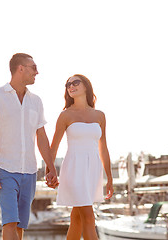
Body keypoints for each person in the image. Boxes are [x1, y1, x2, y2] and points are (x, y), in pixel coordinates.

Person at [0, 53, 58, 240]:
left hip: (30, 172)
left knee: (20, 227)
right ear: (20, 68)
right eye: (33, 67)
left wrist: (51, 167)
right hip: (5, 169)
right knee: (10, 222)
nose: (37, 72)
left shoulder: (36, 101)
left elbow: (41, 137)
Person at [49, 74, 114, 240]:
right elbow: (53, 147)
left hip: (93, 169)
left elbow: (103, 148)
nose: (71, 86)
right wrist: (50, 171)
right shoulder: (65, 115)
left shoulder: (100, 115)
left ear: (86, 86)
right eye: (68, 84)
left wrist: (110, 178)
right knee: (89, 216)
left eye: (75, 82)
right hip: (73, 169)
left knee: (76, 218)